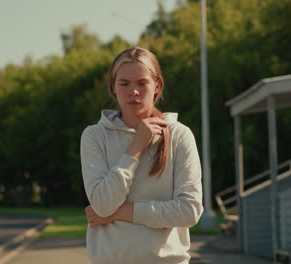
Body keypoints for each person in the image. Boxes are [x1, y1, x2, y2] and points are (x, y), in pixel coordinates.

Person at [80, 47, 203, 264]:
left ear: (157, 85)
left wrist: (120, 213)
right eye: (124, 84)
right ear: (113, 87)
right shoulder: (94, 136)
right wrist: (136, 146)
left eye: (142, 83)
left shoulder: (179, 135)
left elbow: (189, 211)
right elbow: (102, 205)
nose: (133, 91)